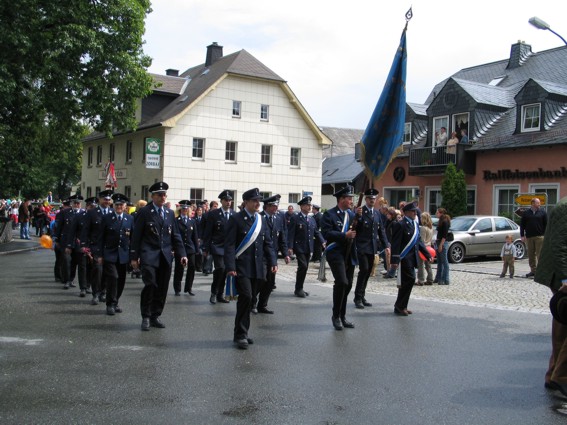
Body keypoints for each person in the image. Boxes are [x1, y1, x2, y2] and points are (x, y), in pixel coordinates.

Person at [130, 182, 187, 331]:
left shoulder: (169, 213)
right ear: (153, 196)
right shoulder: (145, 212)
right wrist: (134, 257)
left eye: (164, 195)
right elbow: (136, 236)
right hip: (149, 254)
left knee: (162, 287)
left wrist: (182, 254)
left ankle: (156, 315)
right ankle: (146, 316)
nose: (163, 197)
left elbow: (175, 235)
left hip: (165, 255)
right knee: (150, 284)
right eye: (159, 195)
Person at [224, 188, 277, 349]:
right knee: (245, 297)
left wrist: (273, 261)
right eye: (254, 200)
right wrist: (230, 266)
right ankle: (240, 334)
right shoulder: (236, 219)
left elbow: (267, 242)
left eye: (258, 200)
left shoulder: (261, 220)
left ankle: (243, 333)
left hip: (258, 268)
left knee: (250, 300)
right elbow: (230, 245)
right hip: (241, 267)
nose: (257, 203)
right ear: (246, 202)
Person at [534, 196, 567, 397]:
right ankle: (560, 377)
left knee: (562, 327)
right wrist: (565, 278)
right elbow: (559, 245)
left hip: (559, 274)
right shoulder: (565, 208)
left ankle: (553, 375)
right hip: (561, 275)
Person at [321, 185, 357, 330]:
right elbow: (326, 233)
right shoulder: (329, 215)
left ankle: (342, 316)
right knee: (341, 282)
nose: (351, 201)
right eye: (349, 198)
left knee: (347, 285)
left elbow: (357, 232)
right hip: (335, 253)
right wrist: (344, 235)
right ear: (341, 199)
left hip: (350, 253)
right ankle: (335, 316)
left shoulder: (352, 215)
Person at [390, 202, 432, 316]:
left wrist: (427, 255)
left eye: (415, 211)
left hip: (412, 258)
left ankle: (401, 306)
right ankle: (400, 306)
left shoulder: (414, 224)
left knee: (406, 282)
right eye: (413, 211)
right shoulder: (400, 224)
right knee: (410, 279)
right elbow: (396, 243)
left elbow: (419, 242)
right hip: (404, 258)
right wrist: (394, 260)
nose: (415, 213)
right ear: (406, 212)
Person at [353, 188, 389, 309]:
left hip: (372, 247)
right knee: (364, 270)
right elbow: (355, 227)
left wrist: (386, 245)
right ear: (366, 199)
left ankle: (362, 295)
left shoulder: (377, 213)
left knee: (368, 272)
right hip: (362, 246)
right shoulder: (360, 211)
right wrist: (357, 216)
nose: (372, 200)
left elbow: (381, 230)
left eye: (374, 199)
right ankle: (357, 297)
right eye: (370, 198)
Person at [99, 193, 133, 315]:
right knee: (113, 277)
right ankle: (110, 304)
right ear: (113, 205)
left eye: (121, 205)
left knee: (121, 280)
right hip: (110, 253)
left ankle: (116, 300)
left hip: (123, 254)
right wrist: (99, 254)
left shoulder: (129, 219)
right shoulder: (107, 218)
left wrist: (134, 256)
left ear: (125, 206)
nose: (119, 207)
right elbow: (101, 237)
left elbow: (132, 238)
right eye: (117, 204)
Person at [255, 194, 290, 314]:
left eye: (277, 205)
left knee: (270, 282)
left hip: (273, 255)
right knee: (261, 280)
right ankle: (252, 302)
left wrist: (285, 254)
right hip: (260, 255)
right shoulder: (259, 217)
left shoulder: (279, 219)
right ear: (267, 206)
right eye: (274, 206)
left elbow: (282, 238)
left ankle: (262, 305)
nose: (276, 208)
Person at [287, 195, 325, 297]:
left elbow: (316, 232)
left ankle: (300, 288)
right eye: (307, 205)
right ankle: (298, 289)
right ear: (302, 207)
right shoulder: (295, 218)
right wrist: (290, 247)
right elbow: (291, 233)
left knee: (305, 267)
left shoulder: (311, 219)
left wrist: (323, 241)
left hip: (308, 247)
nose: (309, 207)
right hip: (298, 247)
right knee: (303, 266)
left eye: (310, 205)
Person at [81, 189, 114, 304]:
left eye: (109, 199)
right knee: (97, 270)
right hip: (96, 246)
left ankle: (103, 292)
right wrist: (85, 245)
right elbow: (86, 230)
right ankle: (95, 293)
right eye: (105, 199)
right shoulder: (92, 213)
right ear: (100, 199)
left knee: (107, 271)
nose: (107, 201)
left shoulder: (113, 212)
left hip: (109, 247)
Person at [203, 190, 234, 304]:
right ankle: (214, 292)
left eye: (230, 200)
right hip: (217, 246)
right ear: (221, 201)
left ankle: (220, 294)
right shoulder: (214, 214)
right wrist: (205, 248)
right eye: (226, 200)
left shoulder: (234, 214)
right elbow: (208, 232)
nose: (228, 202)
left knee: (226, 270)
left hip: (229, 248)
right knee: (220, 269)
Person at [173, 200, 199, 296]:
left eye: (186, 208)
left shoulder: (192, 221)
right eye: (183, 208)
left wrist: (197, 249)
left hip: (190, 247)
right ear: (180, 210)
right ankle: (177, 288)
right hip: (180, 248)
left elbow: (195, 236)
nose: (185, 210)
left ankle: (189, 287)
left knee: (191, 267)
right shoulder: (176, 220)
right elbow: (174, 235)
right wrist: (173, 248)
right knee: (179, 268)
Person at [520, 197, 547, 278]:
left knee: (540, 255)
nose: (539, 204)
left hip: (540, 237)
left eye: (539, 203)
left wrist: (546, 235)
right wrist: (522, 235)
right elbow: (522, 225)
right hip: (529, 237)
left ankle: (541, 271)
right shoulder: (526, 213)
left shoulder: (543, 212)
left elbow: (546, 224)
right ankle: (533, 271)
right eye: (538, 203)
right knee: (531, 255)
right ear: (532, 204)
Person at [434, 208, 451, 285]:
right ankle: (438, 278)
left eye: (437, 212)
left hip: (442, 242)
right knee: (439, 261)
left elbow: (444, 235)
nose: (436, 214)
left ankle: (445, 279)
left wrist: (441, 245)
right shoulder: (440, 221)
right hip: (438, 241)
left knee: (444, 261)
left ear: (441, 213)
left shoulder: (445, 222)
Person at [417, 212, 435, 285]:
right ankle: (430, 279)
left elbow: (422, 240)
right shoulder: (431, 228)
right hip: (429, 247)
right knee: (428, 265)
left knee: (420, 264)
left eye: (421, 218)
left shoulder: (423, 228)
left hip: (424, 248)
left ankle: (421, 280)